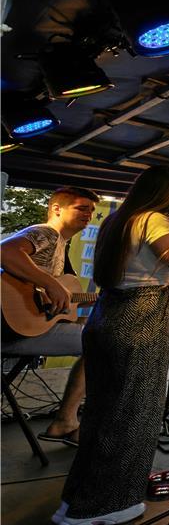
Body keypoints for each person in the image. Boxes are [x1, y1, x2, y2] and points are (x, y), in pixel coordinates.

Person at [57, 167, 169, 525]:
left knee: (101, 410)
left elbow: (147, 258)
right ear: (168, 192)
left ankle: (75, 501)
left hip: (108, 314)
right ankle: (102, 506)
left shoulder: (119, 220)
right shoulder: (153, 220)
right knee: (134, 410)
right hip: (141, 317)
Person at [1, 186, 98, 448]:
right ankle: (69, 420)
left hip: (24, 330)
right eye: (81, 208)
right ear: (56, 209)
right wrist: (50, 284)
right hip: (10, 331)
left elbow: (57, 303)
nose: (88, 214)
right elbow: (5, 251)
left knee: (95, 334)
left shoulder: (61, 247)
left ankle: (67, 420)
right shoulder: (46, 233)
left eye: (91, 210)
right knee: (103, 343)